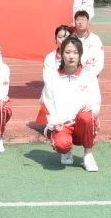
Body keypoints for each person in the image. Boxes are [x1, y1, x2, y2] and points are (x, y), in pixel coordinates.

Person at [41, 35, 101, 171]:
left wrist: (91, 106)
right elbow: (47, 103)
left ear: (80, 55)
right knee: (62, 145)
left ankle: (88, 155)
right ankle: (66, 150)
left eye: (75, 52)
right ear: (61, 54)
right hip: (62, 124)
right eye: (67, 52)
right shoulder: (53, 77)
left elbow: (96, 101)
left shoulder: (88, 75)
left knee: (87, 116)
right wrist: (54, 123)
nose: (71, 56)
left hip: (81, 123)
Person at [71, 10, 104, 78]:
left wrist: (94, 74)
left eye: (83, 20)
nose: (80, 22)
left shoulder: (95, 39)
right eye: (78, 20)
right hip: (73, 75)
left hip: (91, 75)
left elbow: (100, 59)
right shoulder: (70, 39)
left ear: (88, 22)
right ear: (74, 22)